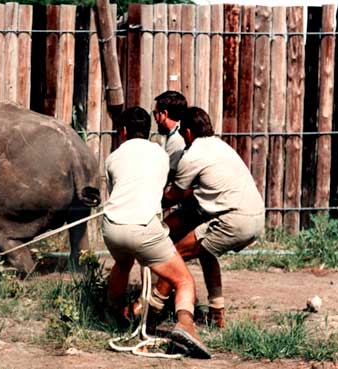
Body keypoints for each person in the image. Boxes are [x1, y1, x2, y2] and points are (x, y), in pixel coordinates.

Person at [102, 107, 210, 359]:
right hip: (144, 227)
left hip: (112, 226)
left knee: (123, 263)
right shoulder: (160, 155)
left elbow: (115, 192)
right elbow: (162, 190)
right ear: (148, 130)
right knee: (183, 281)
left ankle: (113, 314)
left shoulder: (113, 157)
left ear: (124, 131)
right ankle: (186, 326)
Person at [159, 107, 266, 328]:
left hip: (235, 220)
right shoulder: (222, 146)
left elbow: (174, 196)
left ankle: (151, 309)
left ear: (188, 132)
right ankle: (217, 314)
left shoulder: (193, 155)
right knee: (206, 251)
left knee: (174, 253)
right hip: (256, 218)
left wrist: (148, 197)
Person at [153, 91, 188, 181]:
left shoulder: (177, 139)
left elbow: (168, 174)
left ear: (164, 114)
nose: (155, 119)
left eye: (155, 113)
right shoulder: (173, 134)